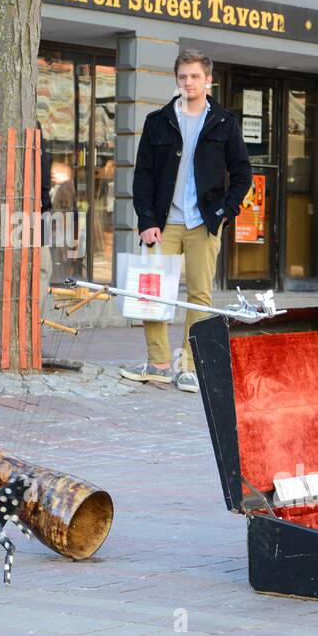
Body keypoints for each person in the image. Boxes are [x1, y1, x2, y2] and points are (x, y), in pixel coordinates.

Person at [122, 49, 252, 393]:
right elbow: (143, 176)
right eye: (183, 77)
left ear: (208, 80)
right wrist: (146, 219)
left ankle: (192, 366)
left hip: (203, 223)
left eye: (195, 76)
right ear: (176, 79)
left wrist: (225, 211)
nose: (188, 82)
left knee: (199, 296)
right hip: (163, 224)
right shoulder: (158, 121)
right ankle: (160, 363)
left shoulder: (224, 121)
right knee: (152, 292)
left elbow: (242, 172)